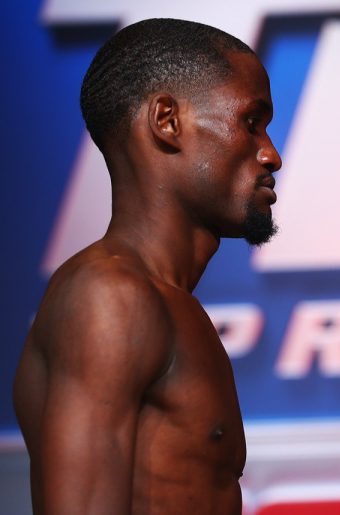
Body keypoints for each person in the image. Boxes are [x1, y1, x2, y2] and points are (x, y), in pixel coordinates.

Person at [13, 18, 281, 514]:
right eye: (250, 122)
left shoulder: (163, 300)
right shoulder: (112, 295)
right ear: (167, 121)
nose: (272, 154)